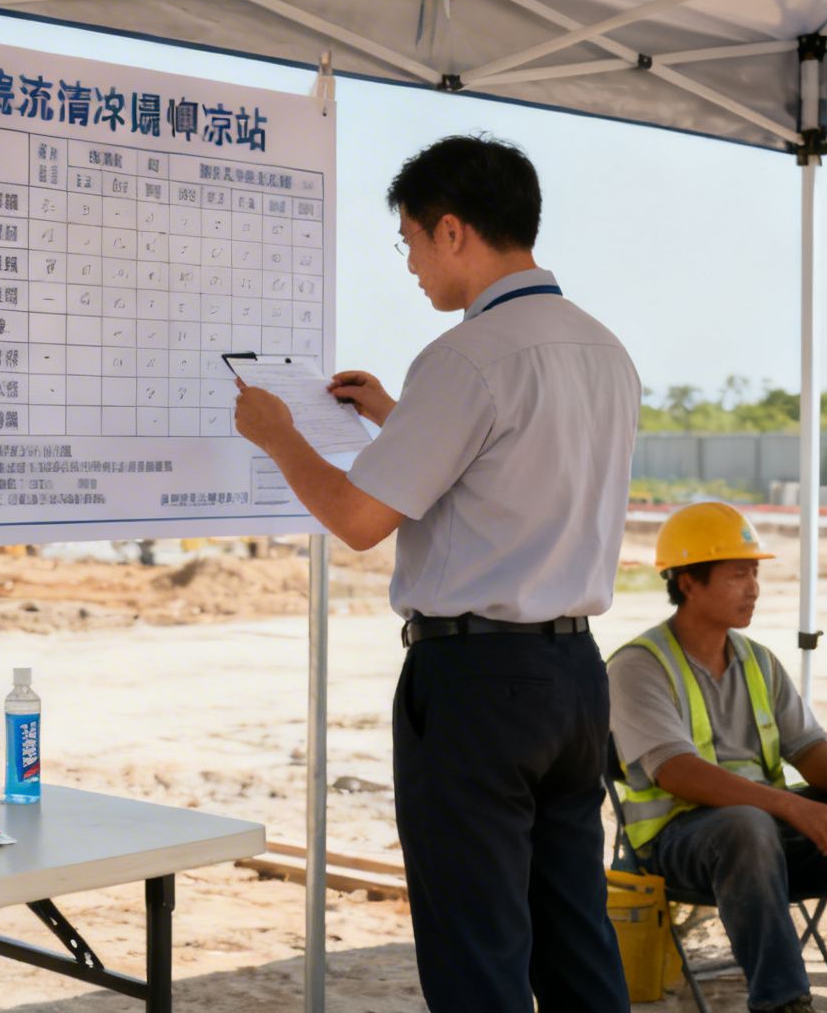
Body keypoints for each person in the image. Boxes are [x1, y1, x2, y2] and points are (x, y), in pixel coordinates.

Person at [232, 134, 637, 1010]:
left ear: (451, 230)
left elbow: (358, 520)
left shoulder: (465, 357)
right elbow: (504, 478)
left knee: (476, 942)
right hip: (572, 675)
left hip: (477, 682)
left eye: (410, 240)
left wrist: (279, 436)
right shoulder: (603, 349)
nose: (411, 264)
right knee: (572, 929)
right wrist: (392, 416)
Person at [611, 502, 827, 1013]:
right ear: (687, 582)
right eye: (738, 574)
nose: (754, 587)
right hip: (677, 844)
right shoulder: (638, 666)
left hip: (762, 837)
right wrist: (792, 808)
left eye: (756, 573)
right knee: (746, 824)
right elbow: (676, 770)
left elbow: (809, 747)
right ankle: (783, 1002)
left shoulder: (758, 660)